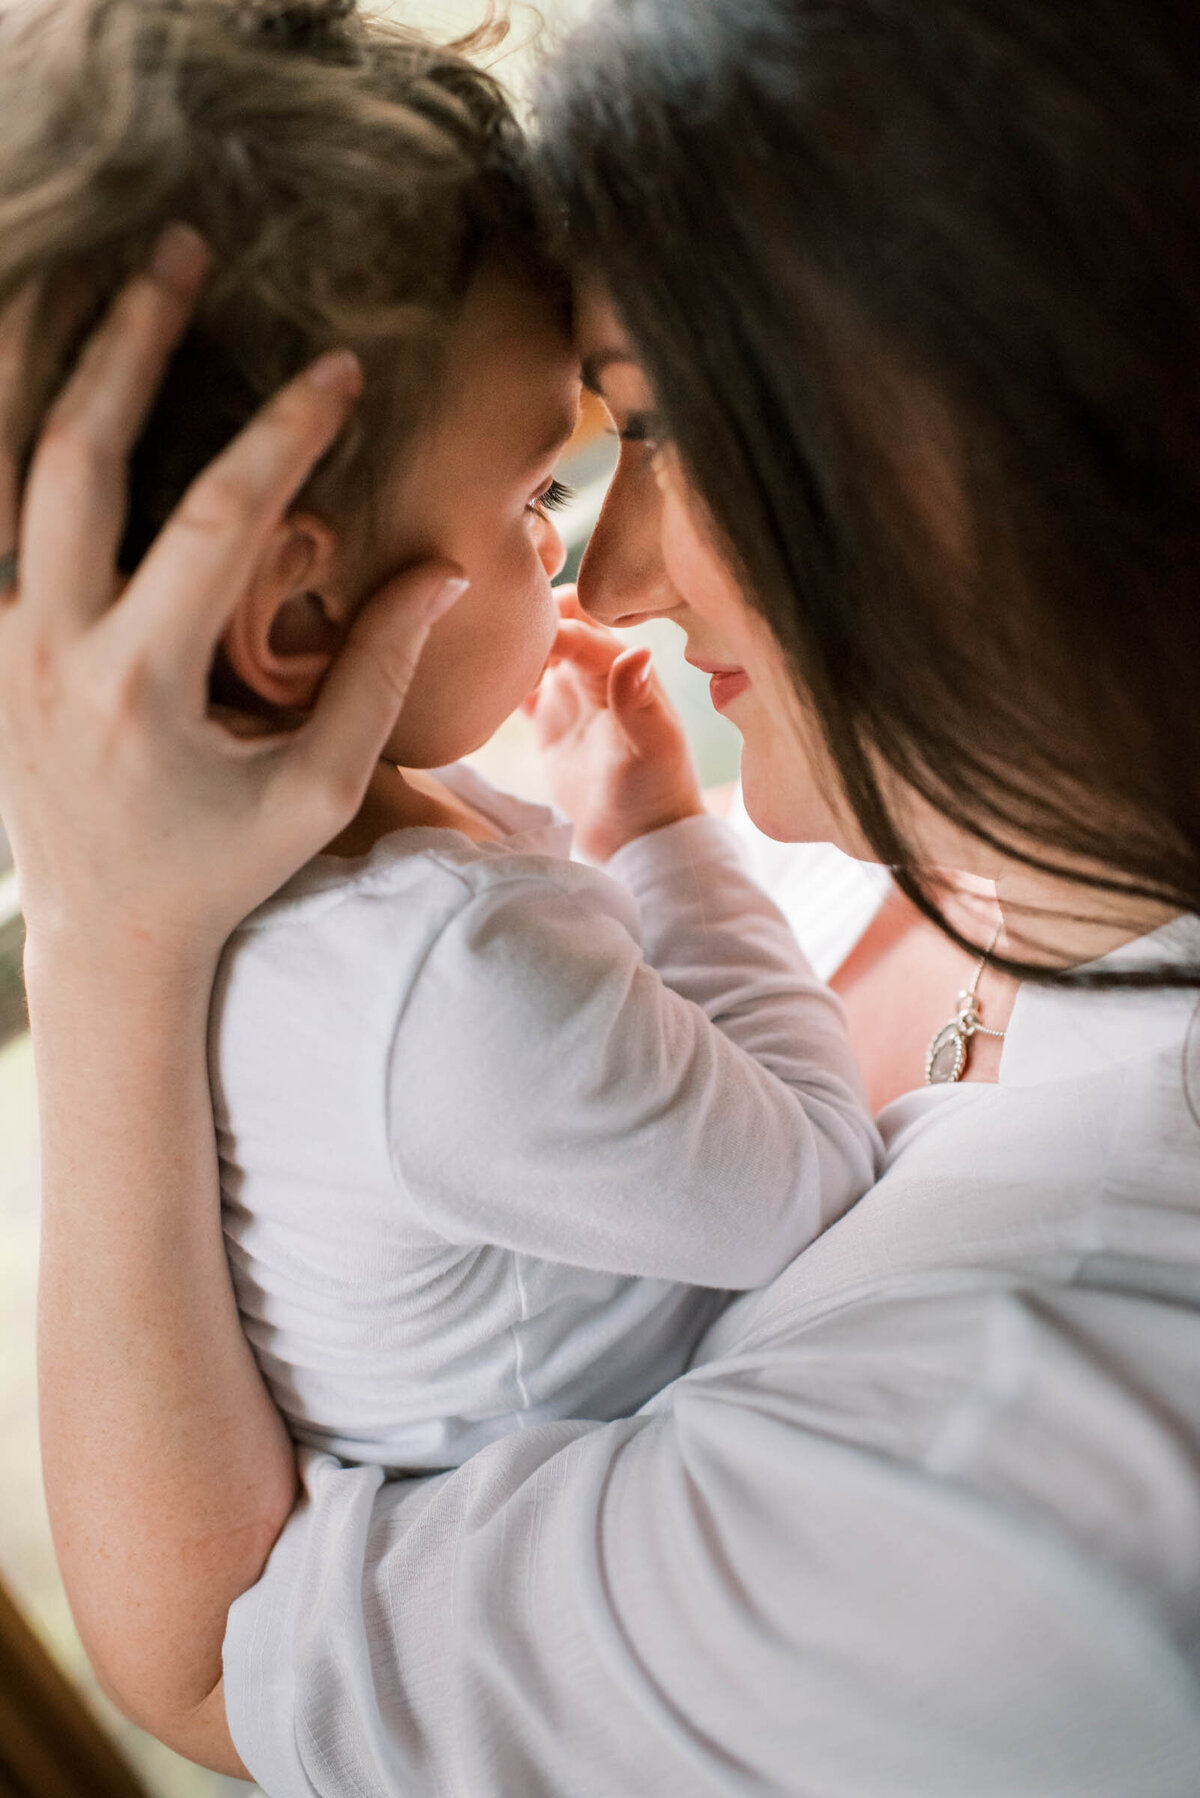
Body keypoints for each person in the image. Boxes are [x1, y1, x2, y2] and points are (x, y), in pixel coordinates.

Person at [4, 0, 1200, 1790]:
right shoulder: (947, 820)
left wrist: (115, 932)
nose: (610, 573)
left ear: (1000, 410)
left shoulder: (1013, 1463)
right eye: (549, 481)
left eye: (644, 429)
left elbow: (219, 1651)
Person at [1, 0, 879, 1478]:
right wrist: (664, 841)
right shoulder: (455, 978)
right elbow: (812, 1173)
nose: (583, 568)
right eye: (536, 498)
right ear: (292, 620)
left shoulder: (256, 866)